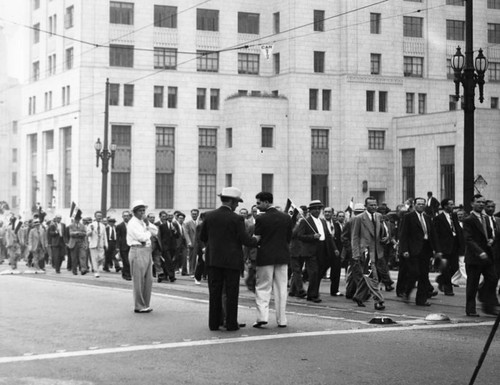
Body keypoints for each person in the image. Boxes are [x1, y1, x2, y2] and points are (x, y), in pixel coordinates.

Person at [200, 187, 258, 331]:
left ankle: (214, 323)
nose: (237, 205)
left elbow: (203, 237)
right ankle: (231, 323)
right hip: (231, 261)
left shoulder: (209, 215)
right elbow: (245, 240)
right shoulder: (237, 218)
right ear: (232, 202)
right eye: (237, 202)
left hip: (213, 260)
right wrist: (256, 240)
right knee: (231, 293)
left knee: (214, 293)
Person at [252, 192, 293, 328]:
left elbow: (257, 238)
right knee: (281, 288)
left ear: (266, 202)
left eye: (259, 203)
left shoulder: (260, 219)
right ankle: (282, 320)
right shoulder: (286, 218)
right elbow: (288, 238)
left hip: (265, 257)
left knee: (263, 287)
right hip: (282, 256)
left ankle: (262, 317)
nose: (258, 206)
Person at [399, 197, 441, 306]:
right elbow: (403, 234)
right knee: (414, 273)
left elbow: (434, 235)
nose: (421, 206)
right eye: (418, 204)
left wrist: (437, 250)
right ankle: (407, 292)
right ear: (414, 205)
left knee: (424, 275)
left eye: (423, 204)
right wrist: (404, 250)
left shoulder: (428, 218)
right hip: (413, 250)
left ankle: (421, 300)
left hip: (426, 250)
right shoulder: (408, 217)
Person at [463, 195, 498, 316]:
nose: (481, 204)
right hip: (474, 257)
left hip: (487, 256)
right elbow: (468, 239)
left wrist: (491, 240)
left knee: (493, 278)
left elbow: (489, 233)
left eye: (483, 202)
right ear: (472, 204)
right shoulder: (469, 219)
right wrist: (480, 251)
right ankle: (470, 309)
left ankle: (484, 296)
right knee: (472, 283)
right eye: (478, 202)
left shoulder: (485, 218)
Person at [296, 200, 338, 303]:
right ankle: (313, 295)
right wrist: (312, 236)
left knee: (319, 273)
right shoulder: (305, 222)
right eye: (315, 209)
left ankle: (313, 292)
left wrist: (335, 248)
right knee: (314, 272)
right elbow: (300, 236)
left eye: (319, 209)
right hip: (311, 250)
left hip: (322, 249)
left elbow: (328, 236)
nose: (318, 211)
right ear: (310, 211)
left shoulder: (323, 221)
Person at [350, 197, 385, 310]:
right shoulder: (359, 218)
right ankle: (378, 300)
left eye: (375, 205)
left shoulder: (379, 216)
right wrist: (355, 253)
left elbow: (381, 232)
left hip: (377, 251)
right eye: (371, 205)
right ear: (366, 206)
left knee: (368, 276)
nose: (374, 207)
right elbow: (354, 237)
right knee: (372, 276)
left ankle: (359, 296)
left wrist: (386, 237)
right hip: (365, 252)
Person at [127, 200, 155, 314]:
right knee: (138, 280)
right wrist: (148, 234)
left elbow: (156, 231)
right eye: (140, 210)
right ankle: (139, 305)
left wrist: (148, 225)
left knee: (149, 279)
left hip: (147, 250)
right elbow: (141, 237)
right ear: (134, 212)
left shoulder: (143, 222)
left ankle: (145, 304)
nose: (142, 212)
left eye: (143, 210)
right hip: (137, 250)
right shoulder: (132, 223)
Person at [433, 198, 464, 296]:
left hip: (455, 245)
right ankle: (448, 288)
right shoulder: (438, 218)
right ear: (445, 206)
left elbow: (458, 229)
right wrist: (438, 249)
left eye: (452, 204)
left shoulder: (454, 216)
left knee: (455, 267)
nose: (452, 206)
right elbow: (436, 235)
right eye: (450, 204)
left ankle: (441, 280)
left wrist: (461, 243)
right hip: (444, 247)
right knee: (445, 268)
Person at [87, 211, 108, 278]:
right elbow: (88, 234)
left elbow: (105, 236)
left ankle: (96, 267)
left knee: (101, 258)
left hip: (100, 244)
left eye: (100, 216)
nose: (99, 217)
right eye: (98, 216)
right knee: (94, 258)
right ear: (95, 217)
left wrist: (106, 244)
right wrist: (92, 230)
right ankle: (96, 271)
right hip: (93, 244)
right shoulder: (91, 225)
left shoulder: (103, 226)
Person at [116, 211, 132, 281]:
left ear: (129, 216)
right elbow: (118, 237)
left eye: (127, 216)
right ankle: (127, 275)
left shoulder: (132, 225)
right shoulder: (119, 226)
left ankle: (126, 273)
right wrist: (117, 247)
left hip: (131, 245)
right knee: (125, 261)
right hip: (123, 246)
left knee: (130, 261)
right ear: (122, 217)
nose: (126, 217)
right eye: (124, 216)